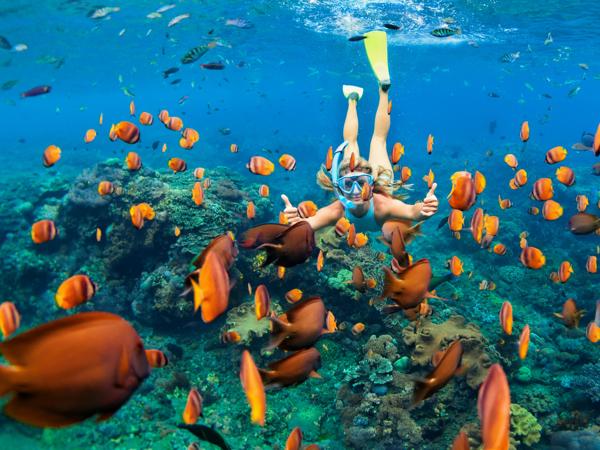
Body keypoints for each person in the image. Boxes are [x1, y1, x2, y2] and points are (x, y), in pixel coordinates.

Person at [281, 31, 439, 233]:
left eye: (361, 183)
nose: (356, 191)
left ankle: (359, 97)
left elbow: (412, 212)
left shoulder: (382, 205)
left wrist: (423, 210)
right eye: (348, 184)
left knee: (355, 141)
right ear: (340, 189)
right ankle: (376, 92)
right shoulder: (336, 210)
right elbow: (307, 226)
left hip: (379, 184)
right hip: (383, 180)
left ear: (371, 184)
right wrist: (295, 223)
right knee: (378, 141)